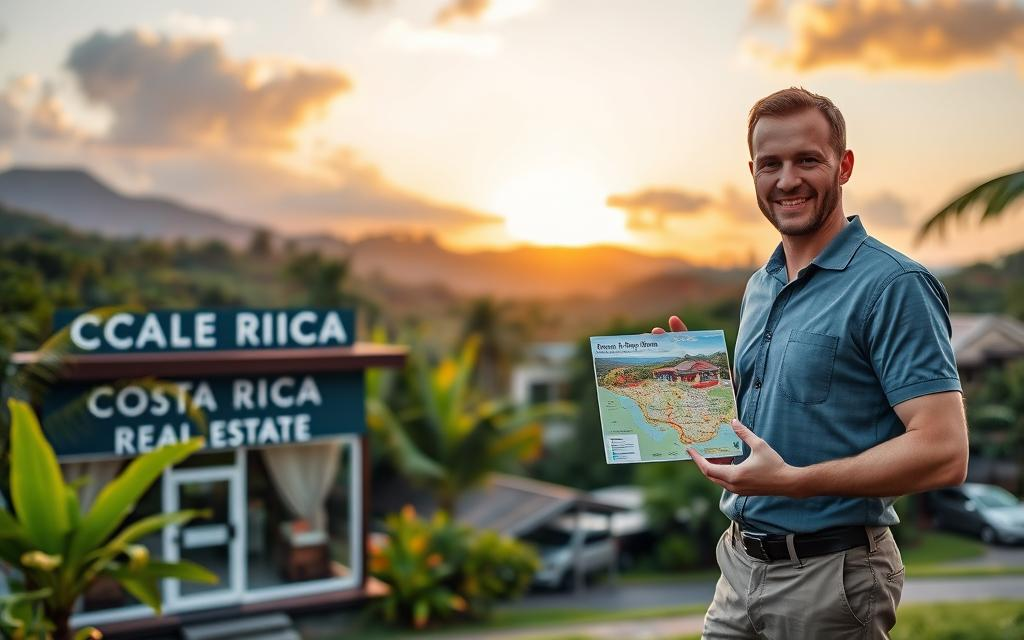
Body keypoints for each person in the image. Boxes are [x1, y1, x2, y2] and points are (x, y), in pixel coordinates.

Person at [653, 87, 969, 639]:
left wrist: (796, 483)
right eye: (770, 164)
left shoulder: (895, 286)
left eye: (807, 160)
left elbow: (944, 452)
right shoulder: (760, 285)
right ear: (752, 172)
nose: (787, 180)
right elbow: (778, 421)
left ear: (843, 166)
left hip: (830, 579)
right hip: (739, 567)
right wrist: (696, 400)